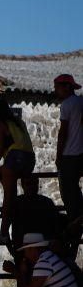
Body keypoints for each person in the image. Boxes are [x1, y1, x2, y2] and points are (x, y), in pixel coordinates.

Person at [0, 99, 35, 242]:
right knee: (17, 193)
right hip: (30, 159)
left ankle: (4, 233)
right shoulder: (18, 123)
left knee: (9, 196)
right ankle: (21, 226)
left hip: (16, 157)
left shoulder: (0, 124)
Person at [55, 74, 83, 222]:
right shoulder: (81, 102)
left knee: (68, 194)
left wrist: (58, 156)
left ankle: (75, 223)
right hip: (81, 155)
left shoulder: (66, 105)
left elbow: (63, 133)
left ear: (66, 87)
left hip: (69, 156)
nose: (56, 91)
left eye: (57, 88)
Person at [12, 177, 59, 251]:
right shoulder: (46, 202)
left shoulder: (16, 202)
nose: (31, 187)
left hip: (24, 246)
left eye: (34, 184)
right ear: (23, 186)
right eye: (28, 184)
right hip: (43, 246)